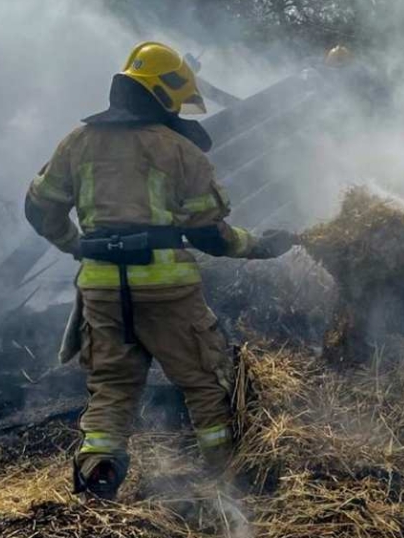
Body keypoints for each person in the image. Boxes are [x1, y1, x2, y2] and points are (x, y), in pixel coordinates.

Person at [24, 41, 297, 500]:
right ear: (165, 92)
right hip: (168, 289)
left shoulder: (78, 142)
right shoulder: (180, 150)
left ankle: (98, 473)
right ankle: (229, 482)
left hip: (103, 289)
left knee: (111, 386)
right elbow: (211, 234)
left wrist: (77, 246)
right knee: (205, 382)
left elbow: (39, 208)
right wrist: (260, 246)